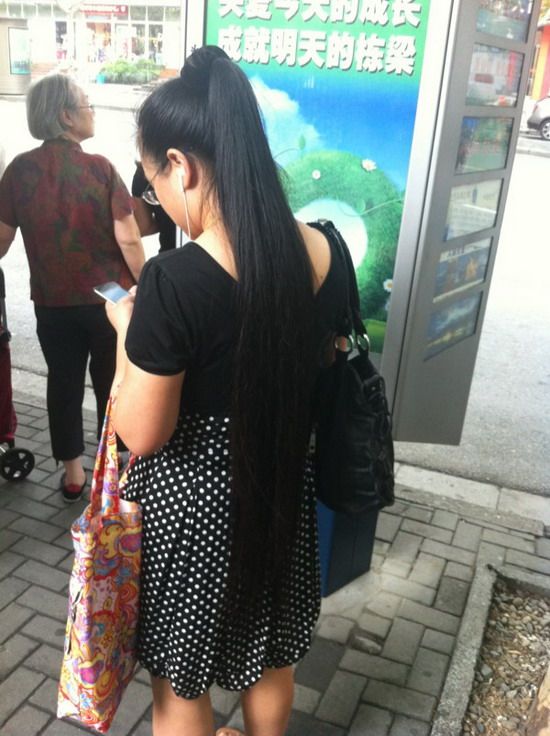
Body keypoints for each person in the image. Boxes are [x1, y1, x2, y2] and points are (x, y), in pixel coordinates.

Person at [106, 46, 346, 736]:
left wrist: (127, 331)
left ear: (180, 164)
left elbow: (141, 434)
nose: (160, 200)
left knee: (183, 682)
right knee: (269, 658)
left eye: (155, 183)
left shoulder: (175, 283)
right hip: (284, 495)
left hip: (195, 515)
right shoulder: (326, 251)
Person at [0, 74, 145, 502]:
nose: (92, 110)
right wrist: (147, 283)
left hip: (52, 301)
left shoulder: (19, 172)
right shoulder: (99, 168)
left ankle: (73, 474)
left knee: (62, 382)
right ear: (66, 115)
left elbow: (2, 240)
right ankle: (113, 470)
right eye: (86, 104)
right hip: (109, 301)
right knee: (110, 383)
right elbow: (130, 238)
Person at [131, 162, 177, 252]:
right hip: (206, 252)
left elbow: (144, 226)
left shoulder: (142, 172)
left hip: (168, 255)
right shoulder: (204, 162)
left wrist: (165, 223)